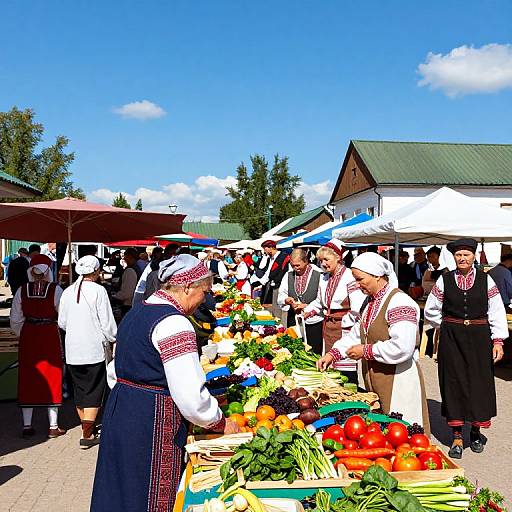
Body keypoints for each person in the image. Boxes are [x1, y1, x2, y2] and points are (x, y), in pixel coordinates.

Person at [90, 254, 239, 512]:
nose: (205, 298)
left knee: (121, 489)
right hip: (152, 418)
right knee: (148, 493)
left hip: (121, 407)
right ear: (188, 287)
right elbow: (190, 396)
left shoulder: (138, 311)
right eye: (204, 291)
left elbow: (114, 370)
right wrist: (220, 421)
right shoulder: (175, 323)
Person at [317, 252, 430, 432]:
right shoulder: (369, 302)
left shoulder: (400, 302)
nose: (357, 284)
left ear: (377, 276)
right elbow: (357, 333)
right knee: (382, 430)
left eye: (360, 279)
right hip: (376, 376)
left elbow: (402, 346)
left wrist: (366, 351)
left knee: (401, 431)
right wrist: (334, 353)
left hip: (398, 379)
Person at [425, 238, 507, 459]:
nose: (462, 258)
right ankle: (457, 436)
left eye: (466, 255)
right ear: (454, 257)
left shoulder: (486, 280)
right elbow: (431, 309)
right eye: (458, 255)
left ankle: (476, 430)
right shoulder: (445, 280)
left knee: (479, 383)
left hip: (480, 337)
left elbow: (496, 310)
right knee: (454, 382)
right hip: (452, 337)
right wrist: (445, 324)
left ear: (473, 257)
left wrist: (497, 340)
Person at [58, 255, 117, 449]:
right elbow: (107, 322)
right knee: (94, 388)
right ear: (96, 271)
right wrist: (113, 337)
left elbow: (62, 322)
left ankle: (86, 426)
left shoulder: (67, 291)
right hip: (93, 347)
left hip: (73, 347)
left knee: (80, 388)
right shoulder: (98, 291)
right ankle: (87, 432)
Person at [10, 254, 65, 438]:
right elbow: (63, 316)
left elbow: (15, 319)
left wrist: (23, 332)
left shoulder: (21, 290)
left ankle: (27, 425)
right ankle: (53, 426)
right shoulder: (56, 290)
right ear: (48, 270)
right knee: (53, 374)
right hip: (49, 333)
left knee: (28, 376)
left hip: (29, 335)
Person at [303, 239, 366, 384]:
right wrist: (308, 311)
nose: (323, 263)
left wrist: (346, 323)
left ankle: (351, 397)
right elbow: (320, 302)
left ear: (338, 257)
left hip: (345, 328)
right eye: (320, 260)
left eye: (326, 259)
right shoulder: (324, 278)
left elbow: (357, 308)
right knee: (331, 369)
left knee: (346, 369)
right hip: (329, 328)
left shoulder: (350, 276)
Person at [278, 248, 323, 354]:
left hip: (313, 320)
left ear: (306, 261)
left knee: (313, 351)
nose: (295, 268)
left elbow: (322, 298)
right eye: (293, 265)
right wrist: (287, 300)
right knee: (294, 350)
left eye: (298, 265)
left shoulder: (319, 274)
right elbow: (282, 294)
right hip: (293, 318)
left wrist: (307, 306)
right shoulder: (288, 275)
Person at [259, 240, 290, 321]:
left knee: (278, 309)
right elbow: (268, 272)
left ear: (271, 247)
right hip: (273, 286)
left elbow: (287, 272)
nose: (264, 251)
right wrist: (260, 284)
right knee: (274, 309)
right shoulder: (270, 258)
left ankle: (281, 327)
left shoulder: (283, 257)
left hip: (280, 286)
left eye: (265, 248)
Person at [112, 248, 142, 318]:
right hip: (133, 303)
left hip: (128, 305)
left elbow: (127, 293)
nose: (124, 259)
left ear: (129, 257)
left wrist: (115, 296)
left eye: (125, 256)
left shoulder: (130, 270)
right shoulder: (136, 268)